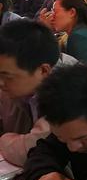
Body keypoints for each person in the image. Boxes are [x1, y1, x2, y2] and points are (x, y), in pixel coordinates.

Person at [0, 20, 76, 166]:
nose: (1, 83)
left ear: (43, 70)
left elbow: (33, 151)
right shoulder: (13, 79)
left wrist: (3, 139)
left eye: (6, 76)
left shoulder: (70, 91)